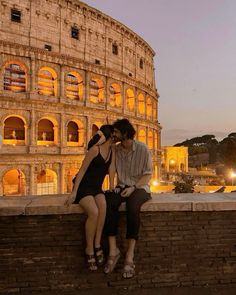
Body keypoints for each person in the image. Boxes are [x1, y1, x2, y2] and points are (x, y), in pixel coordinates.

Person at [104, 119, 152, 279]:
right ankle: (113, 250)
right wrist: (112, 186)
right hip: (122, 186)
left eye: (116, 132)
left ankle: (130, 255)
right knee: (108, 203)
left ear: (125, 133)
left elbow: (148, 174)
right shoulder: (115, 149)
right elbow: (111, 167)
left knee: (132, 207)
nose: (114, 135)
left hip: (140, 187)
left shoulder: (143, 149)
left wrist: (133, 188)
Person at [66, 124, 115, 271]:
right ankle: (89, 249)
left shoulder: (112, 151)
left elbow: (111, 169)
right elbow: (81, 171)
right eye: (115, 133)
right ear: (110, 136)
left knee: (103, 207)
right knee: (93, 212)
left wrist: (112, 186)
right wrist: (74, 192)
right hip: (84, 187)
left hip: (96, 188)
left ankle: (97, 243)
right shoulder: (94, 150)